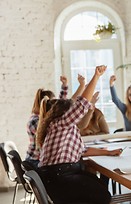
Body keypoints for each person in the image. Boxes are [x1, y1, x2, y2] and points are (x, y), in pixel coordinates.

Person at [36, 66, 123, 204]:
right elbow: (82, 104)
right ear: (66, 113)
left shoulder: (67, 129)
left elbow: (84, 150)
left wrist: (108, 152)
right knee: (102, 195)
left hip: (61, 175)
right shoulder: (60, 124)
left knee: (101, 187)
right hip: (59, 178)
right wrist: (96, 76)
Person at [25, 76, 69, 167]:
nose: (54, 107)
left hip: (39, 160)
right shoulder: (35, 121)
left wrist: (64, 86)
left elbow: (60, 106)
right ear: (44, 104)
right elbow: (51, 131)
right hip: (35, 161)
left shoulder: (42, 118)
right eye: (52, 103)